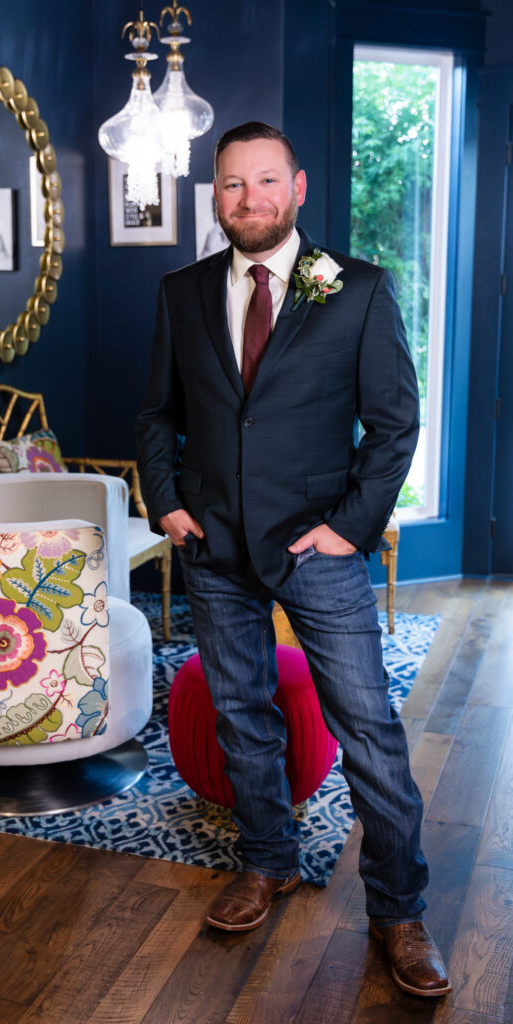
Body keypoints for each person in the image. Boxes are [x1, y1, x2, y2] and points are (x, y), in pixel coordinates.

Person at [136, 121, 450, 998]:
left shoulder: (356, 289)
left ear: (298, 187)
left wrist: (351, 527)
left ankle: (398, 912)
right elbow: (156, 414)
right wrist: (165, 499)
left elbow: (395, 423)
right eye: (231, 185)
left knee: (368, 733)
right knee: (241, 716)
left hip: (317, 545)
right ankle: (265, 863)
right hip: (212, 545)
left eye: (264, 181)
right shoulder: (181, 291)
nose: (249, 199)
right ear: (215, 197)